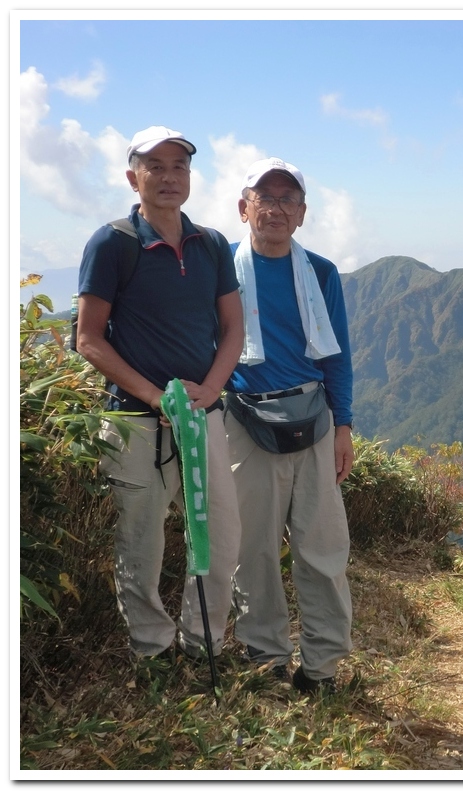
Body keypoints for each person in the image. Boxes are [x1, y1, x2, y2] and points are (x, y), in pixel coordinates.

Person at [76, 125, 244, 661]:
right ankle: (152, 650)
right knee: (141, 544)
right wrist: (155, 396)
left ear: (190, 177)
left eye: (179, 167)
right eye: (156, 166)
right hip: (135, 421)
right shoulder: (113, 243)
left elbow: (233, 329)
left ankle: (205, 644)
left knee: (220, 536)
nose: (169, 177)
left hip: (205, 417)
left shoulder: (212, 244)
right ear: (134, 178)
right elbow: (88, 339)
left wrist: (210, 389)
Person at [225, 157, 354, 695]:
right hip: (244, 416)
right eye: (265, 197)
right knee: (252, 547)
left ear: (301, 214)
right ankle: (266, 656)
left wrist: (343, 425)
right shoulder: (221, 272)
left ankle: (321, 667)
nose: (275, 208)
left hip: (313, 419)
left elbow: (337, 354)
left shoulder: (320, 272)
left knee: (322, 547)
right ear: (244, 207)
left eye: (287, 200)